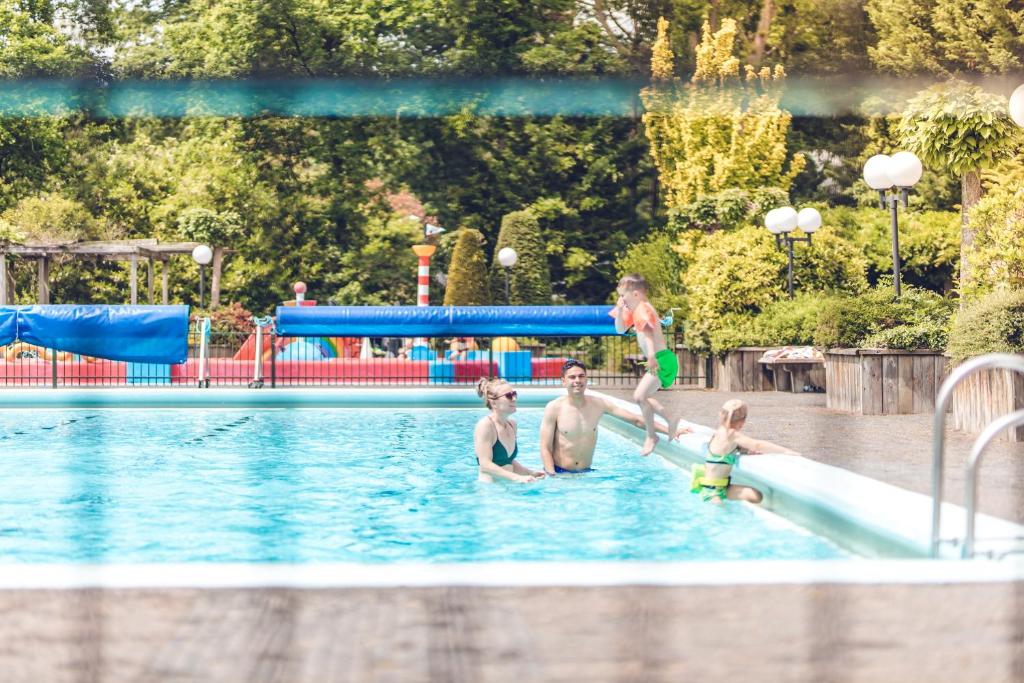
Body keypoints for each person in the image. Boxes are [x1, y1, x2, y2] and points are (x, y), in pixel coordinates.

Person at [539, 359, 691, 474]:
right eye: (572, 377)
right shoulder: (554, 408)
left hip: (587, 474)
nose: (577, 381)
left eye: (581, 376)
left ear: (586, 379)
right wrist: (553, 477)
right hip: (560, 474)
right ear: (563, 381)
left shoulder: (599, 404)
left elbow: (636, 420)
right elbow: (545, 448)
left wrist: (672, 430)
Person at [610, 273, 682, 456]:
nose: (620, 299)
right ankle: (662, 425)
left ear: (635, 294)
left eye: (622, 295)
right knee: (642, 397)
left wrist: (651, 355)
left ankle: (654, 433)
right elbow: (619, 329)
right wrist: (619, 310)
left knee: (640, 396)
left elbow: (649, 331)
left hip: (661, 358)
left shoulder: (643, 308)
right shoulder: (633, 309)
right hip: (662, 358)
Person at [692, 399, 799, 504]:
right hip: (711, 492)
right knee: (720, 509)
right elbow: (757, 445)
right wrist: (785, 451)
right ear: (742, 422)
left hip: (723, 488)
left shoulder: (719, 433)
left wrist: (745, 451)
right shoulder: (731, 434)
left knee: (756, 496)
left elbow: (726, 450)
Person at [474, 378, 546, 483]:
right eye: (508, 396)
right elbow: (485, 465)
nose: (514, 399)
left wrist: (530, 473)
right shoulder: (486, 426)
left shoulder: (512, 425)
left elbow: (508, 461)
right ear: (493, 403)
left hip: (508, 488)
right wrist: (517, 478)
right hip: (489, 491)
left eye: (514, 394)